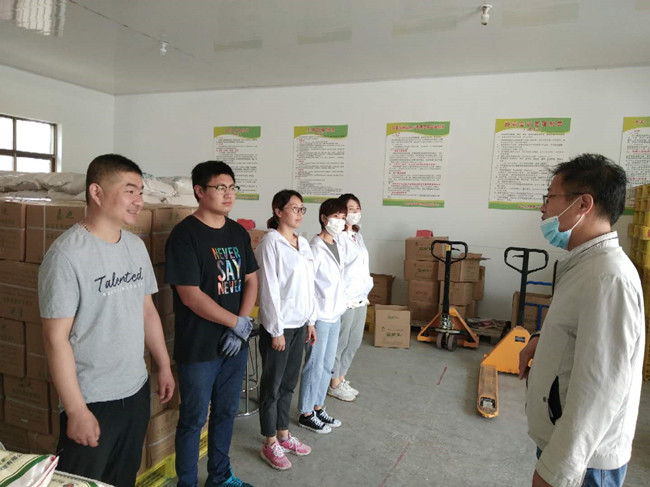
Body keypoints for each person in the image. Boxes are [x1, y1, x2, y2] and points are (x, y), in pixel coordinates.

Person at [38, 154, 175, 487]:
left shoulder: (135, 247)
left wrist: (164, 365)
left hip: (135, 389)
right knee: (80, 481)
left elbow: (147, 311)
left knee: (123, 477)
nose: (139, 201)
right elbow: (55, 339)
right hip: (92, 398)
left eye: (140, 192)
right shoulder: (67, 255)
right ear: (97, 193)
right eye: (129, 191)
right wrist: (76, 410)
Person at [518, 154, 644, 487]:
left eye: (550, 198)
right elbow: (578, 324)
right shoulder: (586, 264)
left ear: (583, 204)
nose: (543, 209)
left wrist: (557, 470)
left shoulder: (608, 278)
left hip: (585, 463)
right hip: (566, 442)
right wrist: (541, 337)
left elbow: (600, 389)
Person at [165, 161, 258, 487]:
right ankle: (187, 483)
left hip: (234, 346)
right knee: (193, 420)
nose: (228, 194)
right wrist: (236, 323)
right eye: (220, 187)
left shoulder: (237, 232)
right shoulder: (184, 235)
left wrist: (242, 323)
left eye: (232, 187)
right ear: (199, 191)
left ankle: (219, 476)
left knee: (225, 413)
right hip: (199, 347)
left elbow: (251, 279)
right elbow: (190, 295)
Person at [255, 190, 317, 470]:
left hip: (300, 324)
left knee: (289, 383)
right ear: (278, 211)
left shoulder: (302, 243)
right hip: (279, 328)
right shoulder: (270, 243)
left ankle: (283, 434)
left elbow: (309, 286)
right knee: (272, 385)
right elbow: (268, 288)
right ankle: (269, 442)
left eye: (302, 209)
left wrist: (311, 321)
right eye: (293, 208)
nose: (299, 213)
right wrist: (275, 330)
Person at [298, 198, 348, 433]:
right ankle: (306, 413)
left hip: (334, 314)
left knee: (327, 365)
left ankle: (318, 407)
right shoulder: (315, 248)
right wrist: (310, 321)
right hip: (318, 317)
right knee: (314, 365)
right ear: (324, 218)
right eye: (336, 217)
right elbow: (308, 287)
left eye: (343, 217)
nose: (341, 221)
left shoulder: (338, 244)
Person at [328, 193, 372, 402]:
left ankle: (341, 377)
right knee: (341, 342)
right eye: (350, 209)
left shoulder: (357, 235)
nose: (354, 213)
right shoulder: (338, 237)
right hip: (345, 299)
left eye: (357, 209)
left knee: (354, 342)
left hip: (361, 297)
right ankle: (333, 383)